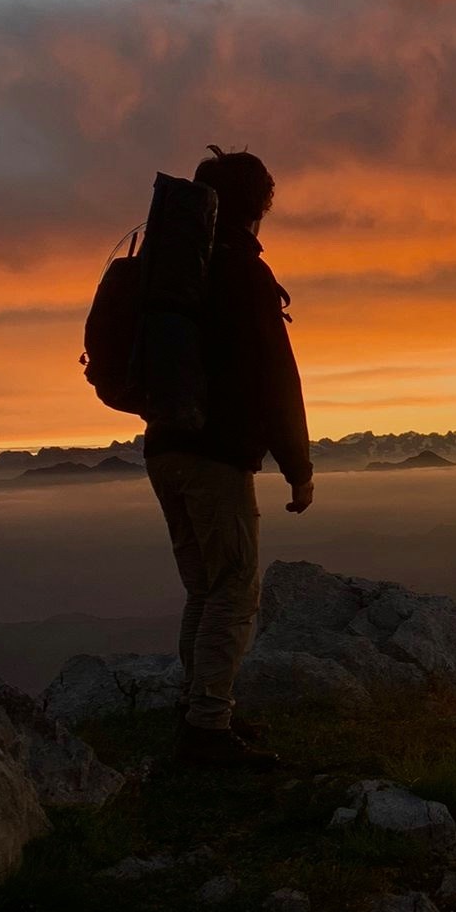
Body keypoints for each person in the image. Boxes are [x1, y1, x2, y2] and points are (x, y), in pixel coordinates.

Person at [144, 146, 314, 768]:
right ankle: (208, 732)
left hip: (164, 446)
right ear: (258, 206)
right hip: (214, 455)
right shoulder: (243, 273)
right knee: (234, 589)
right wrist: (298, 468)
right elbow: (277, 378)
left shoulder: (178, 269)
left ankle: (198, 709)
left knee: (204, 587)